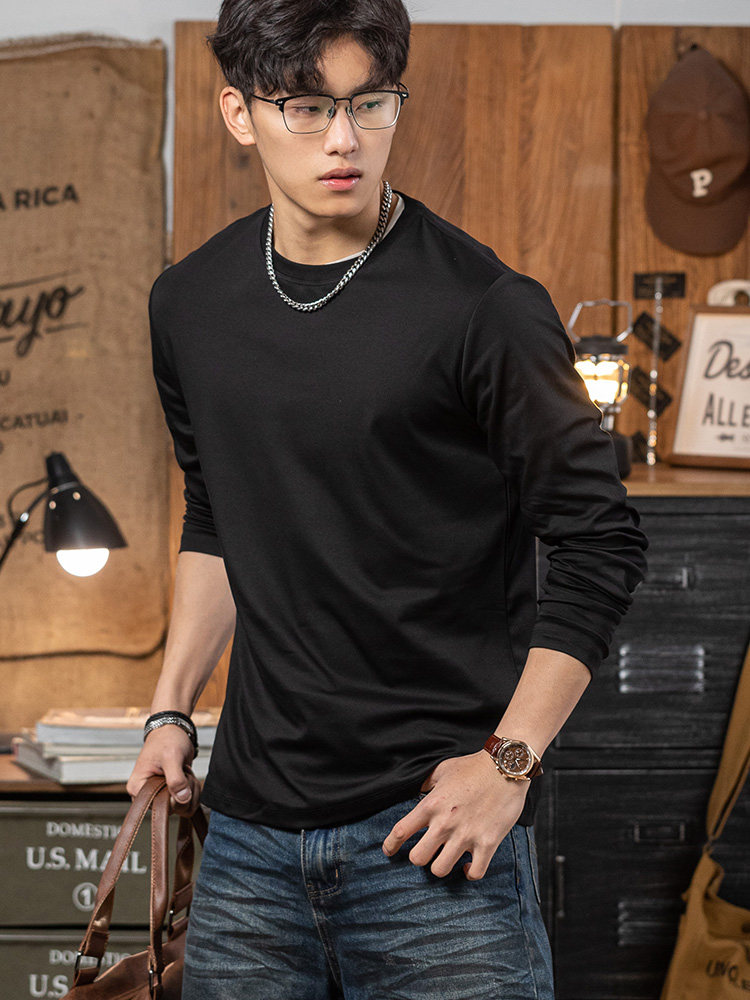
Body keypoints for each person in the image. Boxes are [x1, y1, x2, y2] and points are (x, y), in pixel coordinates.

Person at [127, 1, 649, 997]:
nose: (344, 139)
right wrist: (171, 710)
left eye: (369, 104)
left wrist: (508, 765)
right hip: (245, 847)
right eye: (306, 107)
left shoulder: (488, 309)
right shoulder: (188, 303)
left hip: (433, 842)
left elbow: (601, 543)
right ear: (239, 114)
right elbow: (218, 514)